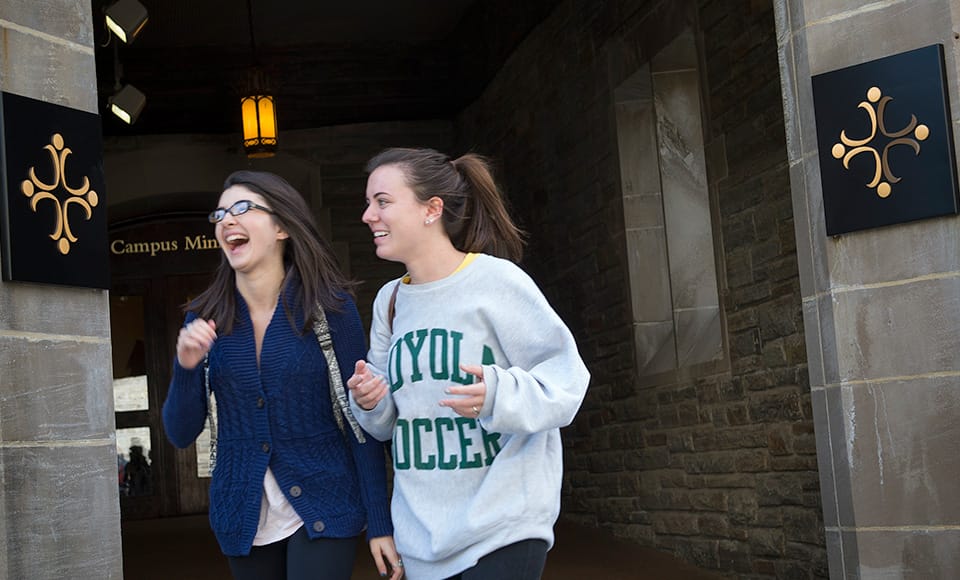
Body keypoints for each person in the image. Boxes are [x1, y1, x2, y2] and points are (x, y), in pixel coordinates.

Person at [348, 148, 591, 579]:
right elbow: (385, 425)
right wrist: (371, 401)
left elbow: (566, 381)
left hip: (503, 524)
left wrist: (498, 394)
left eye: (382, 202)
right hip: (423, 538)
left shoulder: (496, 282)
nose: (368, 215)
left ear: (431, 209)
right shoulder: (391, 301)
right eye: (369, 203)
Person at [162, 170, 403, 580]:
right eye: (219, 214)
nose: (226, 221)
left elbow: (358, 422)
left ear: (281, 227)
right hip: (243, 513)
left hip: (326, 501)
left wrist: (380, 522)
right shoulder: (205, 319)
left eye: (242, 209)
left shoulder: (331, 309)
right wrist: (185, 366)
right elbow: (181, 433)